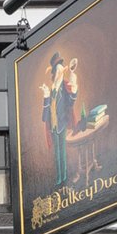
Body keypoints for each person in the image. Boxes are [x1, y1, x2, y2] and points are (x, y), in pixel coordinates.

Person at [40, 53, 79, 188]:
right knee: (56, 153)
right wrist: (46, 96)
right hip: (53, 127)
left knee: (62, 152)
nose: (60, 73)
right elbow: (45, 116)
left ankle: (64, 177)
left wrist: (74, 90)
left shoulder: (64, 87)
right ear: (54, 73)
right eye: (57, 71)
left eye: (61, 70)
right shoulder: (52, 90)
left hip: (62, 124)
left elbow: (71, 102)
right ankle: (59, 178)